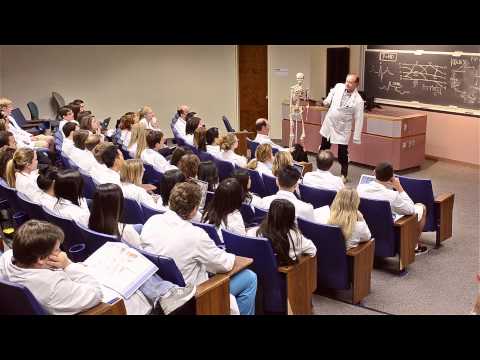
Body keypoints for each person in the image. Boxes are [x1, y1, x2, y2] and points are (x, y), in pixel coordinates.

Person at [140, 182, 257, 315]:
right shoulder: (195, 235)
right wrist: (231, 256)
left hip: (159, 290)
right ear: (195, 209)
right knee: (249, 277)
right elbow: (224, 264)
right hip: (192, 297)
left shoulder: (152, 221)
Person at [88, 183, 196, 315]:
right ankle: (166, 293)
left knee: (139, 226)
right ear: (119, 205)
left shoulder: (88, 225)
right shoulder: (125, 232)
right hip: (126, 269)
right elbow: (142, 255)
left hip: (108, 260)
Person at [0, 220, 103, 315]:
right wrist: (68, 265)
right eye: (57, 249)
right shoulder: (53, 288)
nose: (61, 253)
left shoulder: (6, 257)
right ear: (40, 259)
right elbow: (96, 294)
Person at [357, 162, 428, 255]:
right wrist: (399, 188)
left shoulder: (360, 188)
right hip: (386, 225)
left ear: (374, 173)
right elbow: (411, 210)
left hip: (366, 223)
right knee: (421, 207)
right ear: (391, 177)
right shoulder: (392, 195)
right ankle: (414, 247)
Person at [320, 74, 364, 183]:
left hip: (343, 128)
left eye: (350, 82)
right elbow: (332, 92)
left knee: (342, 153)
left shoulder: (358, 100)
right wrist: (327, 100)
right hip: (330, 123)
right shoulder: (339, 86)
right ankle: (320, 171)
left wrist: (356, 137)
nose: (347, 84)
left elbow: (359, 119)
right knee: (324, 148)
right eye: (347, 81)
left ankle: (344, 175)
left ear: (356, 84)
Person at [247, 199, 317, 266]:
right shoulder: (294, 236)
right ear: (291, 218)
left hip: (260, 272)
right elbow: (312, 250)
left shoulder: (253, 232)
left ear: (270, 214)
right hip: (287, 275)